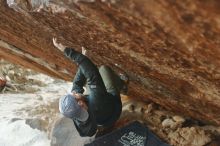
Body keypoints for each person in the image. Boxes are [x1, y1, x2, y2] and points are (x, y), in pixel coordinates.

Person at [52, 38, 128, 137]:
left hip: (101, 119)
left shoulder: (74, 113)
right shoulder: (96, 100)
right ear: (80, 103)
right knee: (103, 69)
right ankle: (123, 87)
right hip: (114, 109)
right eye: (74, 96)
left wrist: (83, 57)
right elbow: (92, 73)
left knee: (87, 83)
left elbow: (77, 83)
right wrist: (67, 51)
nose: (74, 93)